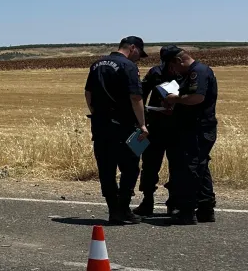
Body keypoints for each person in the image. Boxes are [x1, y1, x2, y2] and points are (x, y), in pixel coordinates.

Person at [84, 37, 149, 226]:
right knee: (130, 168)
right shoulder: (128, 66)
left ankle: (114, 210)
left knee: (106, 169)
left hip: (100, 125)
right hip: (125, 125)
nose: (139, 59)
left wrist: (96, 113)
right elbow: (136, 96)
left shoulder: (96, 64)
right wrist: (142, 124)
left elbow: (88, 93)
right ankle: (123, 208)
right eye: (139, 54)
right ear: (133, 48)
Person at [163, 46, 219, 225]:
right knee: (201, 167)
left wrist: (175, 99)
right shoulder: (194, 72)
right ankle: (205, 208)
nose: (174, 71)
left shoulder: (198, 72)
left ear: (179, 61)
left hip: (197, 128)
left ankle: (187, 211)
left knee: (191, 168)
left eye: (174, 67)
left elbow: (197, 98)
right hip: (196, 128)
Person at [134, 47, 181, 216]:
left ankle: (174, 203)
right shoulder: (155, 72)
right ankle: (147, 201)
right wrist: (142, 119)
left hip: (177, 127)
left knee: (177, 166)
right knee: (150, 166)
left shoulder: (184, 72)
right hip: (155, 125)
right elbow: (141, 94)